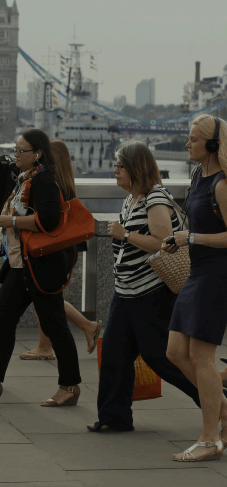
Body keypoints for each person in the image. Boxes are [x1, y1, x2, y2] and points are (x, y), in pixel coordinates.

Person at [0, 129, 81, 407]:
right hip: (20, 265)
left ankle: (70, 386)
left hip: (41, 267)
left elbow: (50, 220)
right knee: (1, 319)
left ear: (37, 153)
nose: (15, 155)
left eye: (20, 151)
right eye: (15, 150)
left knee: (55, 325)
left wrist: (12, 222)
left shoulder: (44, 181)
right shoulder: (25, 180)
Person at [88, 141, 200, 432]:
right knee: (114, 354)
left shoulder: (155, 198)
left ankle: (217, 400)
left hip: (150, 294)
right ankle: (114, 418)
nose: (115, 171)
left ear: (136, 168)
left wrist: (124, 234)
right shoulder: (132, 198)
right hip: (126, 292)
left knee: (162, 358)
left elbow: (164, 244)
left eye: (120, 165)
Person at [163, 115, 227, 461]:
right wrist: (180, 241)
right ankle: (226, 414)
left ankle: (208, 439)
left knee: (201, 357)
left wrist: (193, 238)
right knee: (174, 352)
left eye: (192, 140)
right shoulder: (197, 176)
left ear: (213, 145)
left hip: (217, 275)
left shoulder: (222, 183)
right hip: (197, 271)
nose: (186, 145)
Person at [19, 140, 101, 360]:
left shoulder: (48, 183)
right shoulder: (65, 183)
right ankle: (48, 344)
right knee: (47, 296)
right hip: (65, 249)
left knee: (46, 297)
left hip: (51, 249)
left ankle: (82, 328)